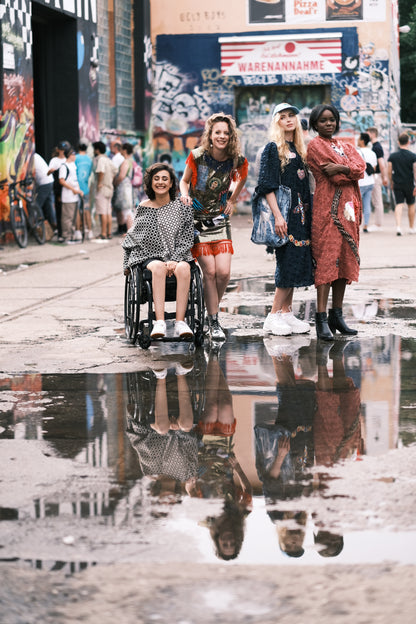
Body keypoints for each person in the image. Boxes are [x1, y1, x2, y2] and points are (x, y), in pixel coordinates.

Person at [180, 113, 248, 341]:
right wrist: (185, 195)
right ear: (210, 134)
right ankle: (214, 321)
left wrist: (232, 199)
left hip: (220, 222)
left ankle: (211, 311)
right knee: (209, 272)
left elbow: (243, 178)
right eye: (217, 132)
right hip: (197, 222)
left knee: (224, 273)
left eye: (226, 133)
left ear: (231, 137)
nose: (221, 136)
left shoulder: (236, 159)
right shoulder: (197, 156)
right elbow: (184, 180)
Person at [252, 103, 313, 336]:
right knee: (286, 262)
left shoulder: (298, 149)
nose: (289, 120)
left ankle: (287, 312)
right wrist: (278, 216)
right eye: (284, 117)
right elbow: (267, 186)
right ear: (276, 121)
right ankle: (273, 314)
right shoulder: (272, 148)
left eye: (292, 116)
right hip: (284, 216)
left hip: (302, 215)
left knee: (297, 260)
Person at [307, 104, 365, 340]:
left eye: (332, 120)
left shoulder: (345, 145)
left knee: (344, 262)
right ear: (315, 124)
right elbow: (336, 176)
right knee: (327, 262)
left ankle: (336, 315)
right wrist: (346, 169)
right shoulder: (315, 146)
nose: (329, 124)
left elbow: (360, 169)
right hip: (327, 210)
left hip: (349, 212)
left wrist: (342, 167)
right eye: (323, 121)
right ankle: (320, 318)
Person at [122, 163, 194, 339]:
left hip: (178, 255)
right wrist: (126, 263)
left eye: (164, 179)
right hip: (149, 256)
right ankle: (159, 322)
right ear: (150, 182)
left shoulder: (182, 207)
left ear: (171, 184)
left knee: (185, 268)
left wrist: (175, 259)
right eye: (156, 179)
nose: (160, 182)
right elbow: (132, 238)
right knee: (159, 267)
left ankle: (180, 322)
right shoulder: (144, 207)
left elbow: (187, 237)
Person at [387, 132, 416, 236]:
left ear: (398, 142)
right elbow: (415, 170)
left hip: (397, 183)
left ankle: (398, 227)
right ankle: (411, 227)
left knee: (399, 204)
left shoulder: (393, 156)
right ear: (408, 142)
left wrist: (391, 182)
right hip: (409, 184)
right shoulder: (413, 156)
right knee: (411, 205)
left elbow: (389, 170)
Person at [92, 141, 117, 240]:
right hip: (109, 187)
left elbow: (101, 171)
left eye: (94, 149)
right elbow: (115, 170)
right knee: (107, 211)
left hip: (102, 188)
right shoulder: (108, 159)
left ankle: (103, 233)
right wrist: (110, 179)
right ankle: (109, 232)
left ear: (97, 150)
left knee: (102, 212)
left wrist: (99, 183)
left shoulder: (101, 159)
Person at [59, 147, 84, 243]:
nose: (75, 156)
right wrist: (73, 189)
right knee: (67, 218)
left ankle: (72, 235)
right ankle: (66, 236)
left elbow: (75, 180)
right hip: (67, 196)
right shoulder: (63, 166)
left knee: (73, 217)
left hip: (74, 196)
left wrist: (78, 190)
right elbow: (61, 181)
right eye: (73, 154)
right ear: (69, 155)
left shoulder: (73, 165)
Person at [365, 126, 388, 230]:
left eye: (368, 133)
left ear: (373, 134)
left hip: (377, 175)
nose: (367, 136)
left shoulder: (376, 147)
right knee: (376, 200)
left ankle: (378, 224)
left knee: (377, 201)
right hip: (377, 175)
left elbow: (382, 164)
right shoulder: (376, 146)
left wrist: (384, 177)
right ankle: (378, 223)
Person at [47, 140, 71, 238]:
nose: (62, 152)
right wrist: (52, 171)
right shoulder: (54, 160)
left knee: (68, 211)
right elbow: (48, 173)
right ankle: (61, 232)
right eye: (61, 150)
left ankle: (69, 232)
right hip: (58, 188)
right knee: (59, 210)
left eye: (64, 150)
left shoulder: (68, 160)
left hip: (67, 187)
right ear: (58, 150)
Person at [356, 132, 377, 233]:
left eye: (359, 139)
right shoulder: (372, 153)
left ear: (362, 141)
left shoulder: (357, 152)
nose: (357, 140)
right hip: (370, 182)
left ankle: (356, 224)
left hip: (360, 183)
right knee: (367, 204)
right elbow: (374, 168)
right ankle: (366, 225)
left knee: (357, 205)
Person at [113, 142, 135, 234]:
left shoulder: (126, 162)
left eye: (121, 149)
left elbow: (122, 176)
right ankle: (126, 230)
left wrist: (115, 183)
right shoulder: (131, 161)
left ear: (125, 150)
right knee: (125, 209)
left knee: (127, 210)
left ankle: (130, 231)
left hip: (124, 187)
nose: (120, 151)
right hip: (127, 186)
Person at [33, 153, 57, 234]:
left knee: (37, 205)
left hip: (45, 182)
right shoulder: (36, 156)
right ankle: (54, 225)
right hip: (49, 180)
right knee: (49, 205)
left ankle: (42, 224)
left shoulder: (31, 157)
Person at [75, 143, 93, 239]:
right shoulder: (89, 160)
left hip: (77, 188)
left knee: (77, 210)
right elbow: (89, 173)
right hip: (86, 188)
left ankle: (78, 231)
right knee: (86, 210)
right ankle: (90, 232)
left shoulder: (75, 158)